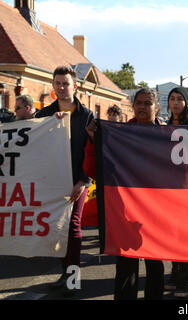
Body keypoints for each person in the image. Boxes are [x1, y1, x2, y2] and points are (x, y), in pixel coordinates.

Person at [84, 88, 165, 300]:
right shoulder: (116, 134)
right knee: (125, 268)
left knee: (155, 266)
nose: (142, 107)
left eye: (147, 103)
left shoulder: (169, 137)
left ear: (156, 108)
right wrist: (94, 141)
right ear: (132, 106)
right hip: (125, 211)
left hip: (156, 213)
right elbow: (95, 171)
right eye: (138, 102)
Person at [35, 66, 94, 295]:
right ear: (53, 85)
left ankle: (73, 278)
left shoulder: (87, 115)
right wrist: (52, 125)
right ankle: (65, 272)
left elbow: (92, 150)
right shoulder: (44, 114)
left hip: (79, 180)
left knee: (74, 225)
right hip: (53, 181)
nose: (61, 87)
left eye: (66, 83)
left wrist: (83, 180)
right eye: (58, 83)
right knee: (57, 228)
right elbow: (34, 147)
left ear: (75, 86)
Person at [165, 86, 188, 298]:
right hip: (167, 187)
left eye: (179, 99)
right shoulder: (163, 127)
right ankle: (174, 272)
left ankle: (183, 280)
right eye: (172, 99)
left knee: (184, 236)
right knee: (171, 234)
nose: (175, 103)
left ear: (186, 103)